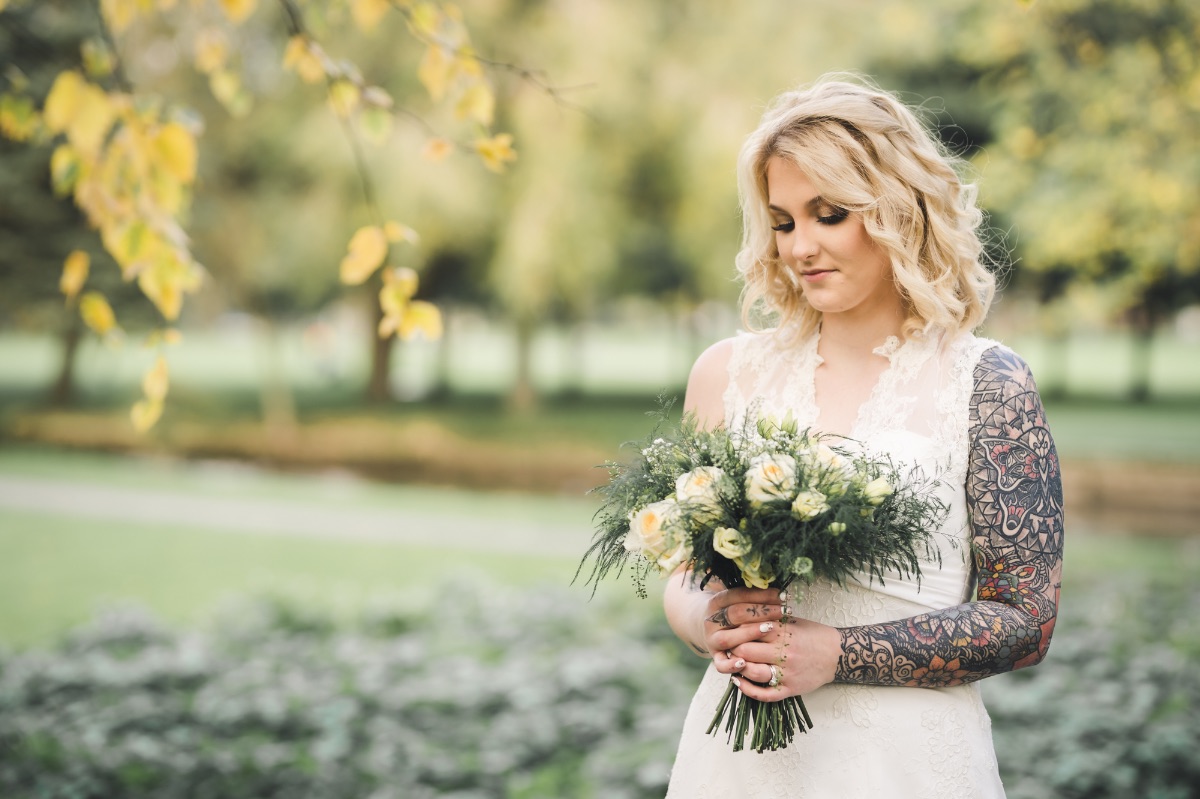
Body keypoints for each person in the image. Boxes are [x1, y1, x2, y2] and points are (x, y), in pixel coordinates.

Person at [661, 75, 1064, 797]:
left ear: (898, 210)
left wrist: (838, 654)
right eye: (783, 222)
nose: (801, 246)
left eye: (829, 214)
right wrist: (709, 618)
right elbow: (686, 576)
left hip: (909, 762)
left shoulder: (988, 385)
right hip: (740, 764)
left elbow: (1024, 621)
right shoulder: (725, 374)